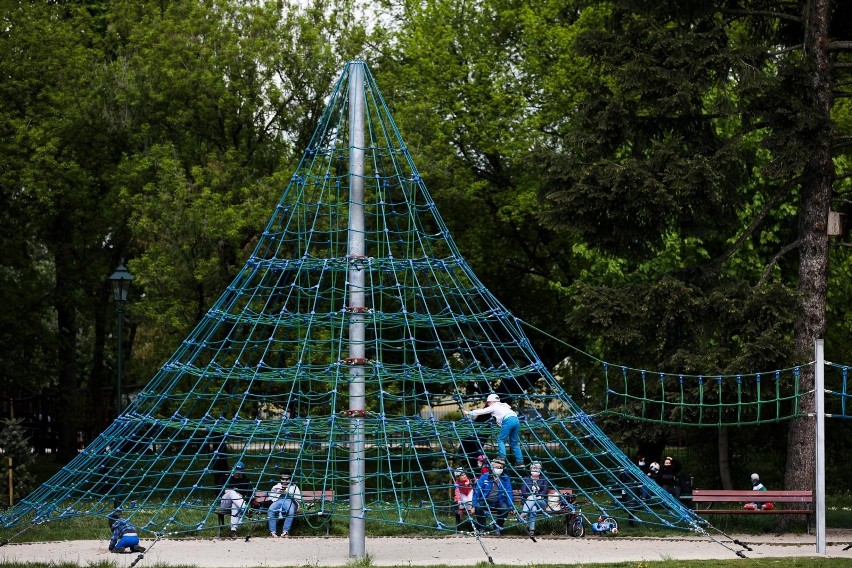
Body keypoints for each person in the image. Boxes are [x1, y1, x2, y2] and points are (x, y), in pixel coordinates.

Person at [464, 394, 524, 468]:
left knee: (500, 440)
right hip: (516, 420)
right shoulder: (503, 406)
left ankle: (502, 458)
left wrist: (470, 412)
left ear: (492, 401)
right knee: (514, 443)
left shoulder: (494, 406)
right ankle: (520, 462)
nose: (488, 404)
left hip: (508, 420)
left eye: (488, 402)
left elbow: (483, 411)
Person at [472, 457, 514, 534]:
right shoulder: (485, 476)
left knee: (505, 508)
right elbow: (477, 491)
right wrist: (473, 505)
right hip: (486, 500)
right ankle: (482, 527)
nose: (499, 469)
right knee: (478, 507)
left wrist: (511, 506)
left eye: (501, 467)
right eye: (497, 467)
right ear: (492, 467)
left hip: (499, 501)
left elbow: (509, 492)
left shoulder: (505, 478)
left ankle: (497, 527)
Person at [219, 461, 253, 537]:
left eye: (239, 472)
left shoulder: (246, 481)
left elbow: (249, 495)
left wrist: (242, 496)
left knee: (235, 504)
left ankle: (233, 530)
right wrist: (229, 491)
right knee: (232, 493)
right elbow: (218, 491)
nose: (237, 474)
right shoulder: (225, 478)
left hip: (238, 504)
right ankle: (246, 510)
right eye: (236, 472)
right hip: (225, 503)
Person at [519, 462, 552, 536]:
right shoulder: (525, 479)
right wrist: (530, 496)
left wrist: (536, 494)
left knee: (533, 498)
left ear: (540, 469)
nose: (536, 469)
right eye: (534, 467)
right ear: (530, 469)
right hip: (529, 503)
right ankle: (532, 531)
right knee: (533, 508)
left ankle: (522, 515)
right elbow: (523, 491)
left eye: (538, 468)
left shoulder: (544, 479)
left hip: (541, 503)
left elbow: (544, 491)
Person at [267, 469, 302, 537]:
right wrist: (277, 492)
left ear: (290, 479)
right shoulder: (276, 486)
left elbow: (299, 499)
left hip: (289, 501)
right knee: (270, 510)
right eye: (283, 479)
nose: (285, 481)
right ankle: (272, 532)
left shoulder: (294, 487)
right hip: (278, 501)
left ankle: (285, 531)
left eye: (287, 479)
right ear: (280, 479)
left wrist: (288, 493)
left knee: (290, 511)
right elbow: (270, 498)